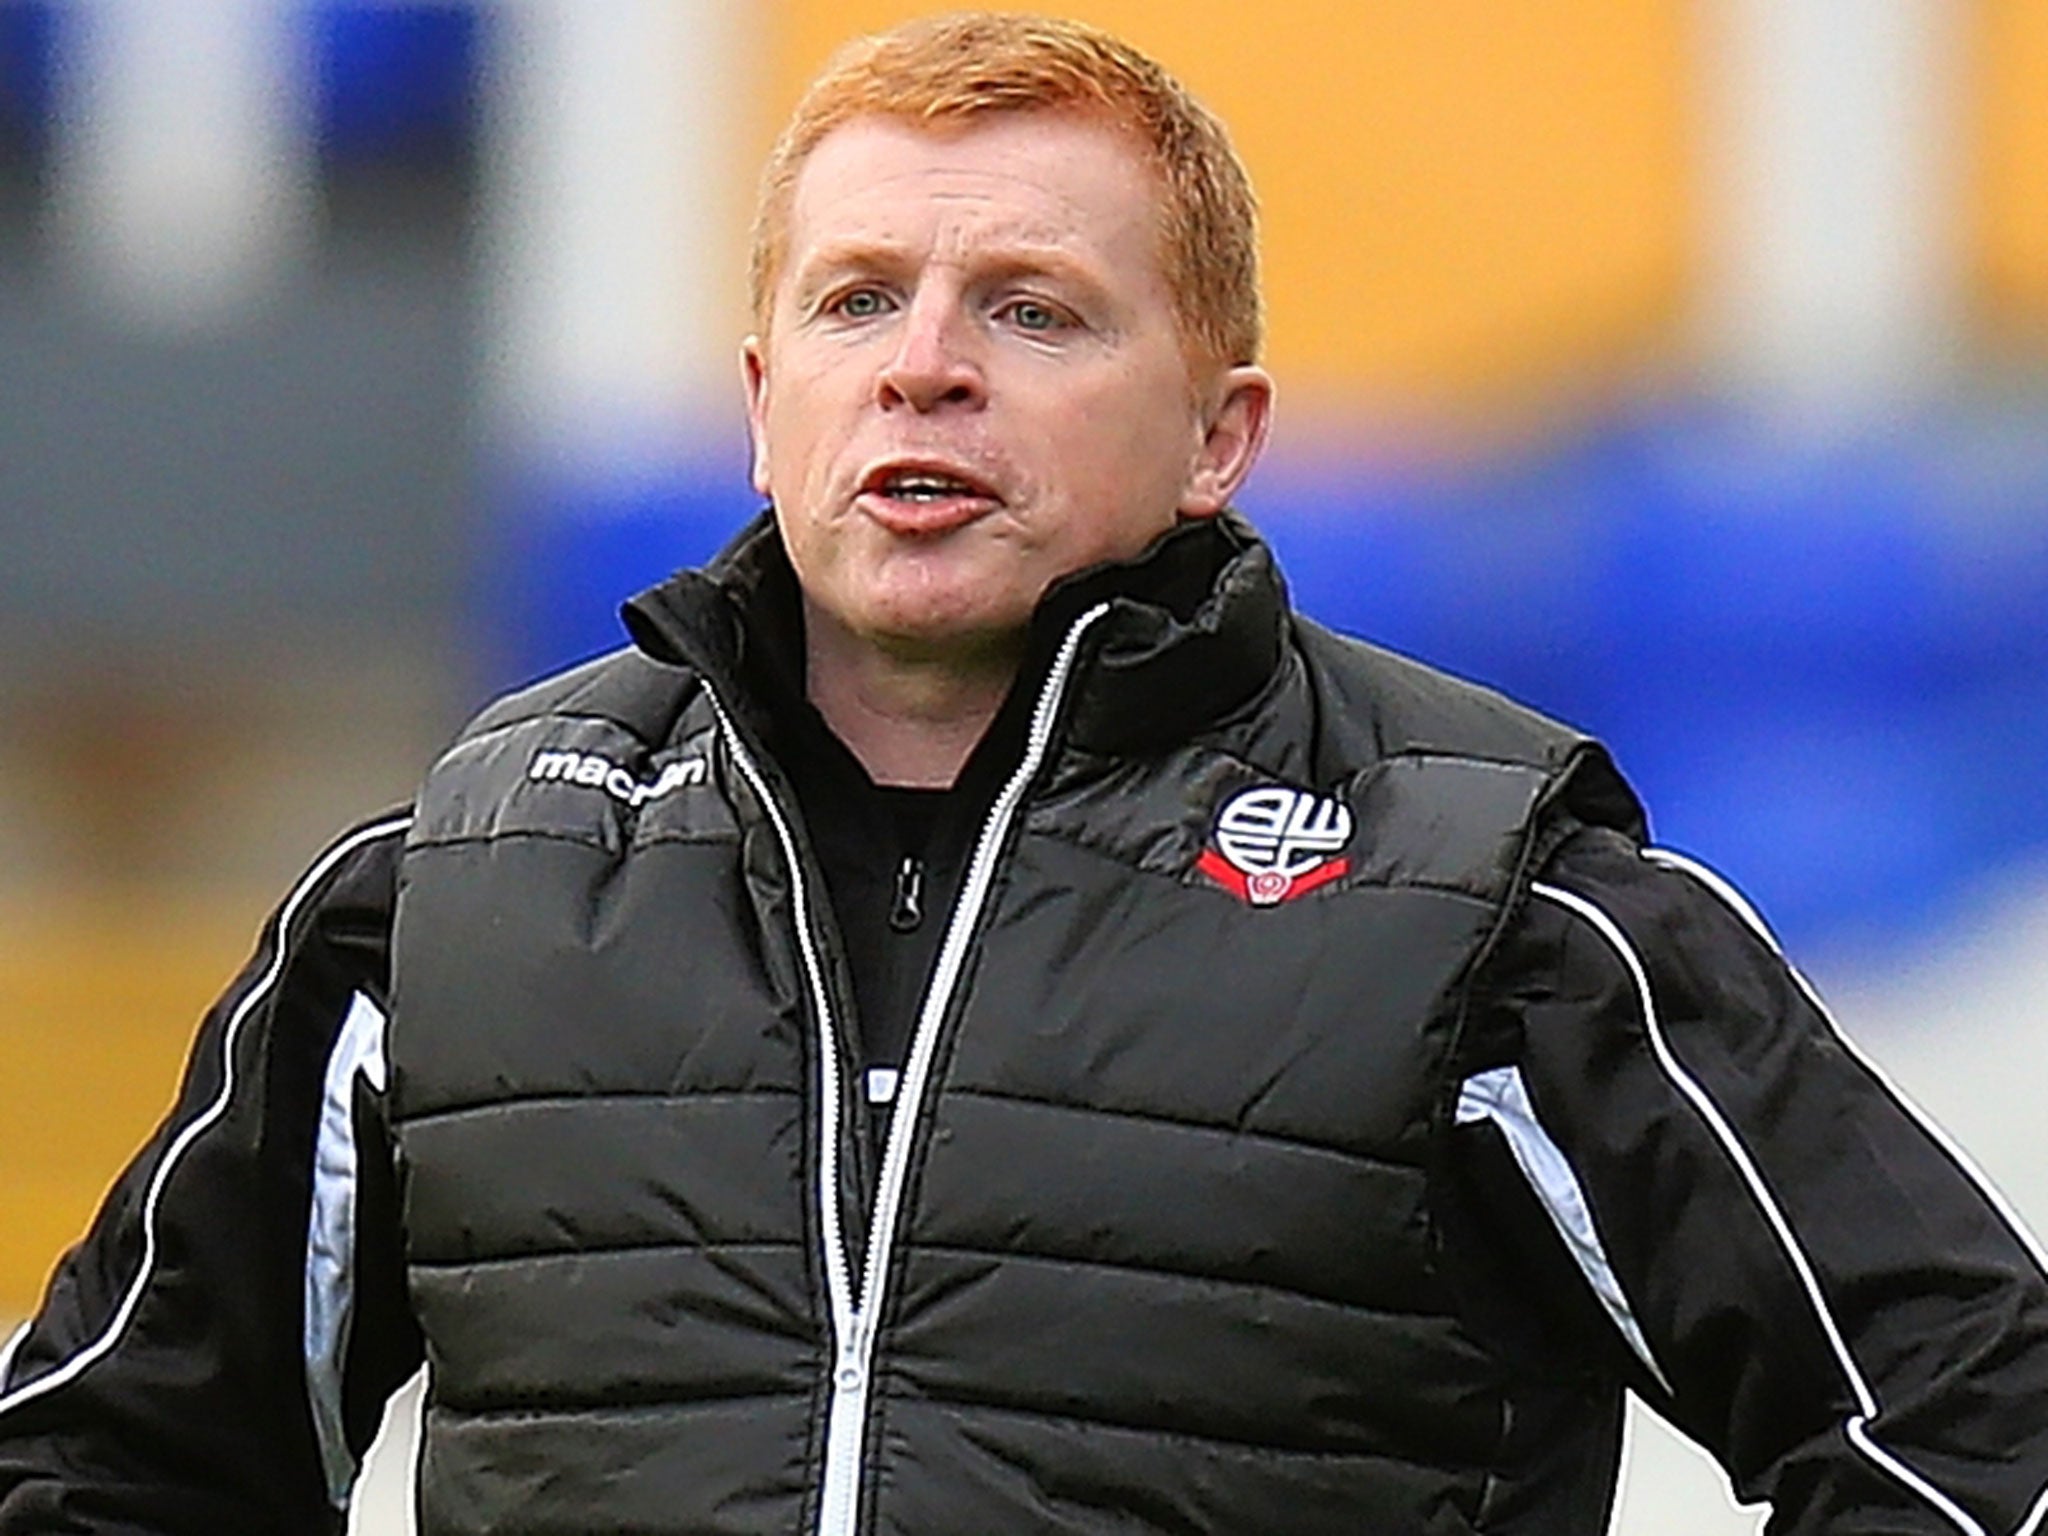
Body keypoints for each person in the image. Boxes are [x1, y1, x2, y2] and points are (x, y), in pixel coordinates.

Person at [3, 12, 2045, 1534]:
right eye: (856, 300)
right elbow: (104, 1466)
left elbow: (1969, 1421)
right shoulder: (453, 884)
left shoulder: (1496, 895)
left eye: (1034, 311)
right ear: (760, 398)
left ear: (1219, 431)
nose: (925, 364)